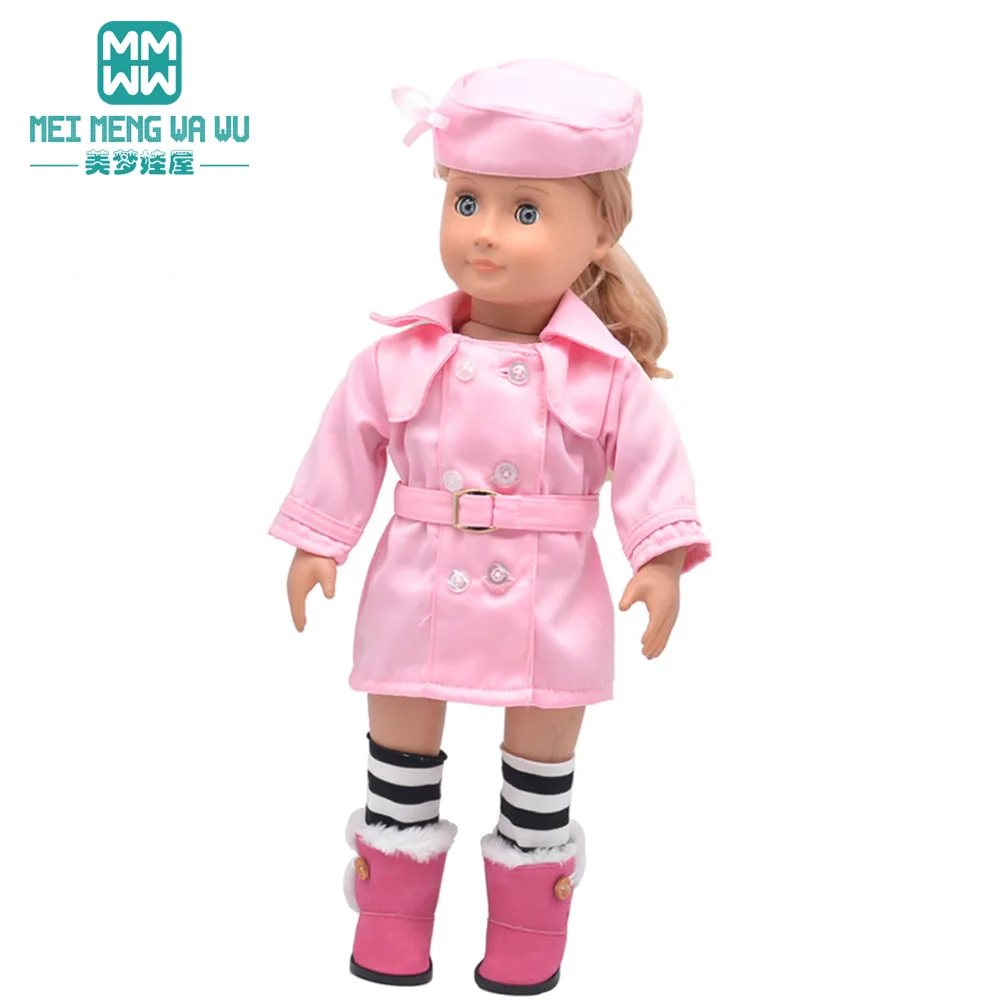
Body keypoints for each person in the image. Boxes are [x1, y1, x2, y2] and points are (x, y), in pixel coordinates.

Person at [268, 57, 712, 995]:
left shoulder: (604, 375)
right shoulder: (400, 355)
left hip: (551, 593)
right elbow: (347, 445)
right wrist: (319, 540)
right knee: (398, 760)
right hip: (417, 577)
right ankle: (390, 925)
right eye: (466, 202)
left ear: (601, 232)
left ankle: (525, 939)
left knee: (538, 778)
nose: (484, 232)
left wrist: (661, 558)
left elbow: (651, 465)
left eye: (525, 210)